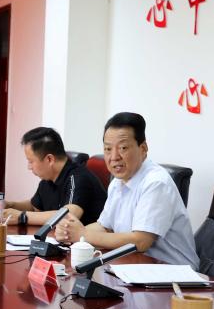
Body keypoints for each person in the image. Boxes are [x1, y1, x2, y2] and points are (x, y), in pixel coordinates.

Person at [55, 112, 198, 267]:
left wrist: (83, 234)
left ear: (143, 149)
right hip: (135, 266)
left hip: (173, 272)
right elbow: (105, 227)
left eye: (123, 148)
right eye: (108, 149)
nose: (114, 157)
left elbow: (141, 242)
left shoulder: (156, 183)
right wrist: (69, 231)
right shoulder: (117, 182)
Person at [3, 127, 106, 227]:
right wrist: (10, 205)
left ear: (49, 159)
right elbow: (34, 207)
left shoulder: (78, 178)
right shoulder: (48, 178)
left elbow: (69, 216)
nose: (29, 167)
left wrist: (22, 216)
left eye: (31, 161)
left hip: (87, 238)